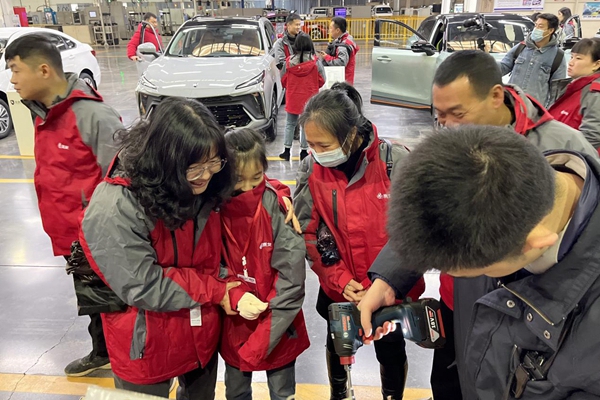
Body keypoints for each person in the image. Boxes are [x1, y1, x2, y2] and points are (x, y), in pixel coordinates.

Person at [360, 49, 599, 400]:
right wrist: (389, 278)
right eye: (440, 115)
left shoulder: (559, 146)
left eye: (457, 113)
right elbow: (435, 217)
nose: (447, 125)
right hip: (465, 314)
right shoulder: (466, 152)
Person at [78, 97, 240, 398]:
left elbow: (252, 189)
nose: (206, 175)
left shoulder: (209, 185)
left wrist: (278, 198)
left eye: (213, 162)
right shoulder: (115, 206)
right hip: (144, 342)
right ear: (165, 160)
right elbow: (143, 284)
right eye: (195, 167)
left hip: (200, 332)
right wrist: (217, 290)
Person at [293, 88, 424, 400]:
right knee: (338, 344)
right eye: (311, 145)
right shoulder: (312, 170)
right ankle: (339, 394)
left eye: (324, 145)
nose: (317, 152)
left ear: (351, 134)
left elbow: (417, 230)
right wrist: (338, 279)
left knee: (390, 349)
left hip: (390, 291)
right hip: (340, 288)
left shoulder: (395, 163)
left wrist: (384, 282)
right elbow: (308, 232)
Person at [5, 34, 122, 377]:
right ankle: (103, 352)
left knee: (115, 301)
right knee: (94, 299)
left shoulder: (93, 115)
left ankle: (133, 363)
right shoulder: (44, 115)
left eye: (15, 70)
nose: (12, 80)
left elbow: (124, 178)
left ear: (43, 70)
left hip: (99, 235)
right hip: (72, 236)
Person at [220, 128, 309, 400]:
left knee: (282, 393)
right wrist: (235, 294)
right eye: (238, 179)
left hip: (279, 323)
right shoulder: (215, 207)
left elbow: (292, 277)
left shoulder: (277, 207)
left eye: (256, 178)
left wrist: (260, 342)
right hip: (235, 321)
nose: (248, 188)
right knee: (236, 392)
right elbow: (210, 264)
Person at [500, 13, 567, 106]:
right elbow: (503, 66)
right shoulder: (521, 47)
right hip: (511, 104)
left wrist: (549, 110)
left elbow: (557, 91)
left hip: (535, 109)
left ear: (550, 30)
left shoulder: (558, 56)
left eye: (540, 26)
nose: (536, 29)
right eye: (536, 25)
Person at [279, 34, 325, 162]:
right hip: (310, 99)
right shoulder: (315, 62)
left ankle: (286, 151)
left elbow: (283, 79)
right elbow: (322, 79)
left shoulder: (289, 62)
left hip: (293, 97)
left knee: (290, 124)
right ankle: (304, 152)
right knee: (306, 124)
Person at [548, 38, 600, 150]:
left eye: (578, 58)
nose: (571, 63)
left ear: (596, 64)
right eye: (571, 57)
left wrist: (564, 157)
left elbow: (592, 136)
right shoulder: (574, 87)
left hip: (572, 157)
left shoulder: (595, 93)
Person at [318, 17, 359, 85]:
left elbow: (341, 63)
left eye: (331, 28)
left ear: (337, 30)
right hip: (346, 80)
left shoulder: (343, 46)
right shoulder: (347, 38)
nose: (329, 30)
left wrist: (326, 57)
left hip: (342, 82)